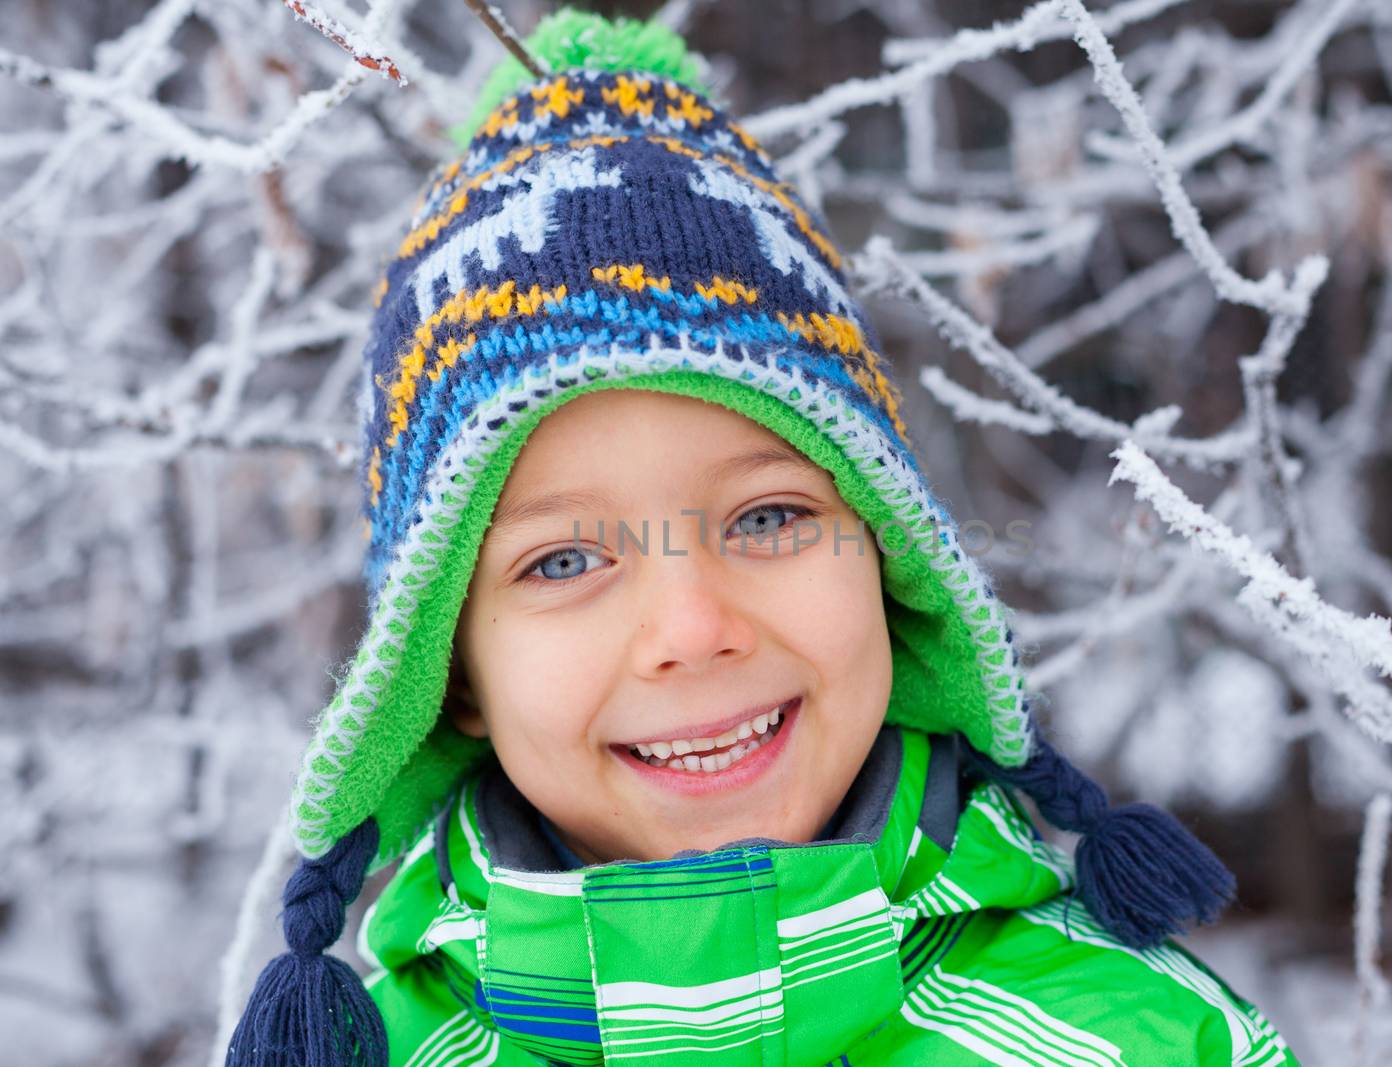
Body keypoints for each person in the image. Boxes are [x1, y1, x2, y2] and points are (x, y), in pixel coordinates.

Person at [226, 9, 1300, 1065]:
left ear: (890, 558)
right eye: (562, 560)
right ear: (447, 670)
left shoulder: (1132, 1035)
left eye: (769, 516)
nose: (693, 629)